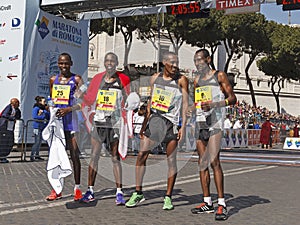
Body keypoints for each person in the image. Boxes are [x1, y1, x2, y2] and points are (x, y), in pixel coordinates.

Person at [125, 51, 189, 210]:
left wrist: (183, 126)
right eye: (171, 63)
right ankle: (138, 192)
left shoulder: (182, 80)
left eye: (177, 63)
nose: (175, 66)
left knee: (171, 161)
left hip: (171, 123)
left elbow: (186, 105)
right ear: (164, 63)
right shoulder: (155, 78)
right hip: (155, 121)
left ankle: (168, 197)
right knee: (141, 155)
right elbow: (150, 103)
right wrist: (144, 123)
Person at [190, 49, 236, 221]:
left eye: (200, 60)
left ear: (208, 59)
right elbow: (197, 102)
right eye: (195, 61)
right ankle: (207, 201)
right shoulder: (196, 80)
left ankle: (222, 203)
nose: (197, 64)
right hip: (201, 122)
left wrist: (215, 104)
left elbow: (232, 99)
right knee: (202, 163)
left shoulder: (220, 76)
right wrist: (191, 109)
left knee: (215, 162)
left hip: (215, 122)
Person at [80, 52, 130, 205]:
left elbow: (128, 100)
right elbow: (89, 100)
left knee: (115, 158)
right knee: (94, 156)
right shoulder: (97, 78)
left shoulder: (123, 79)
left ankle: (119, 192)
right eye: (107, 60)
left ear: (116, 63)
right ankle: (90, 190)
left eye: (113, 61)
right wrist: (81, 95)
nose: (110, 63)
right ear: (104, 63)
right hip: (99, 122)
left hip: (114, 124)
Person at [46, 53, 84, 201]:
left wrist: (69, 109)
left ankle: (77, 188)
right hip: (58, 122)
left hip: (72, 120)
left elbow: (85, 102)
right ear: (58, 64)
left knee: (74, 155)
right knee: (56, 157)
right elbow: (51, 100)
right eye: (61, 63)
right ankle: (56, 189)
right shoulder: (52, 80)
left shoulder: (77, 79)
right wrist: (49, 107)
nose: (63, 66)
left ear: (71, 63)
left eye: (66, 63)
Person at [0, 98, 21, 163]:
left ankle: (4, 155)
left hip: (10, 128)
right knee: (3, 143)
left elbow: (19, 116)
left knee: (10, 142)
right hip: (4, 127)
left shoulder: (16, 109)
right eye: (17, 103)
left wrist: (15, 116)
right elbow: (4, 115)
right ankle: (2, 156)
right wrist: (12, 118)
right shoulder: (9, 107)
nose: (18, 104)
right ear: (13, 103)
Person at [30, 96, 50, 161]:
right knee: (37, 142)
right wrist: (42, 116)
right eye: (44, 101)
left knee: (39, 142)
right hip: (37, 127)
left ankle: (37, 155)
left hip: (42, 127)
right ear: (40, 102)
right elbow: (35, 116)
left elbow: (48, 116)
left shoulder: (44, 109)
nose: (45, 103)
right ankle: (32, 155)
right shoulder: (36, 108)